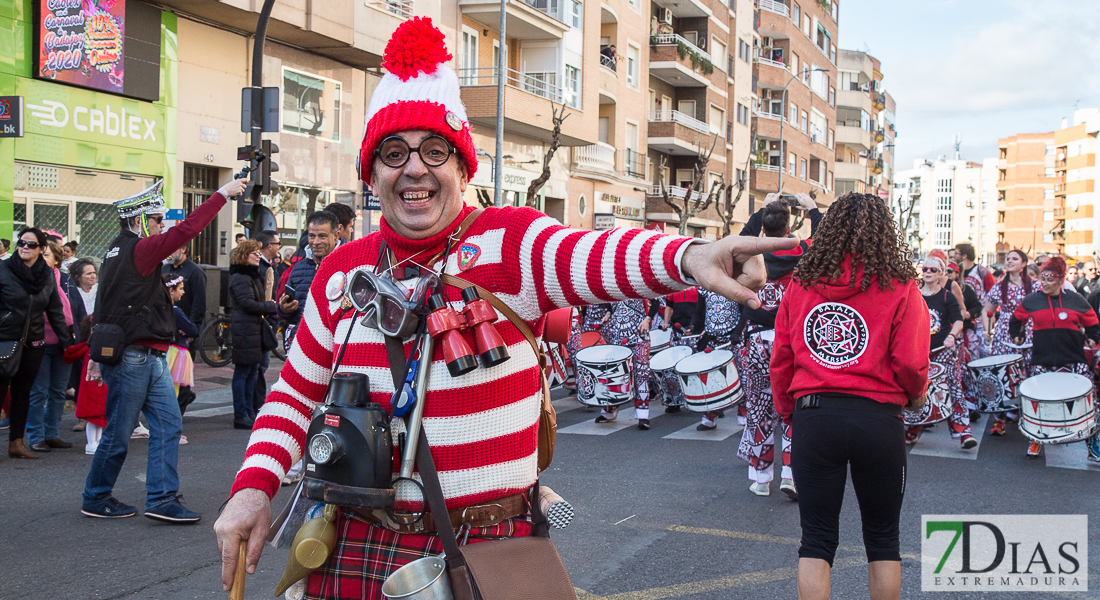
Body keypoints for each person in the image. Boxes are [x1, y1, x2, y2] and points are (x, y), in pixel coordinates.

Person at [213, 18, 795, 598]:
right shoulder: (342, 271)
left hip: (490, 551)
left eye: (434, 150)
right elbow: (295, 393)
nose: (414, 167)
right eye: (393, 152)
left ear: (462, 167)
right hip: (356, 544)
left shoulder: (510, 243)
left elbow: (594, 253)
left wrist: (688, 257)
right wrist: (252, 488)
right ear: (372, 172)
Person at [771, 192, 929, 600]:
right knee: (882, 538)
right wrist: (914, 397)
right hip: (878, 417)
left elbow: (782, 357)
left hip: (815, 415)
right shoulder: (901, 286)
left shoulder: (801, 285)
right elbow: (910, 361)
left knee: (817, 539)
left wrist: (790, 412)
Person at [81, 177, 246, 522]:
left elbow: (107, 304)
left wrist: (96, 356)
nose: (162, 225)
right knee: (121, 431)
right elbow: (186, 231)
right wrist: (220, 195)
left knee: (167, 426)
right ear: (140, 219)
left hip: (144, 355)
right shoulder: (139, 249)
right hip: (136, 356)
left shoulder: (116, 250)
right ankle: (97, 496)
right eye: (156, 219)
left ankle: (161, 498)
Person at [736, 192, 820, 498]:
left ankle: (761, 478)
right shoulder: (802, 251)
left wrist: (760, 211)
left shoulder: (750, 254)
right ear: (788, 229)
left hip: (756, 339)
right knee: (794, 407)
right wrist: (811, 209)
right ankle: (790, 474)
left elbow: (741, 239)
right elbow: (823, 239)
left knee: (760, 408)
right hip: (793, 341)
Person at [1009, 256, 1100, 460]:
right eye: (1043, 279)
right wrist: (1017, 335)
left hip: (1074, 358)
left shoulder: (1075, 300)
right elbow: (1016, 319)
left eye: (1050, 280)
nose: (1046, 284)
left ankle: (1093, 445)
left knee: (1088, 402)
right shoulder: (1032, 300)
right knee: (1038, 402)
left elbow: (1093, 322)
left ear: (1061, 280)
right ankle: (1036, 440)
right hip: (1042, 359)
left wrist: (1093, 339)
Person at [0, 228, 72, 459]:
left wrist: (67, 341)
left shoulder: (47, 275)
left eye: (31, 244)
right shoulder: (3, 270)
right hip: (5, 340)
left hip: (34, 341)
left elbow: (55, 311)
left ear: (42, 249)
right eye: (22, 242)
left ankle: (16, 444)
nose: (25, 247)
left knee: (23, 393)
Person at [907, 256, 976, 449]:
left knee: (953, 388)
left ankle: (964, 432)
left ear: (941, 274)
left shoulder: (946, 296)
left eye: (933, 270)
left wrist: (952, 336)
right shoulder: (914, 295)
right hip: (920, 351)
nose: (928, 272)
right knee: (919, 390)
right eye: (926, 269)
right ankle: (912, 429)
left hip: (943, 351)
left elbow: (959, 319)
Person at [26, 241, 76, 453]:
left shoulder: (65, 280)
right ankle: (35, 436)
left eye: (46, 255)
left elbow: (76, 308)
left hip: (64, 342)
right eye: (40, 254)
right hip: (40, 341)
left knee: (58, 391)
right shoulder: (32, 280)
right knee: (38, 392)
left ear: (57, 260)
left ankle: (52, 434)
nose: (41, 258)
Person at [982, 249, 1038, 436]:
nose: (1010, 261)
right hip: (1004, 333)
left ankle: (1024, 413)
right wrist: (987, 330)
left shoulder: (1035, 286)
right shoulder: (999, 287)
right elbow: (987, 309)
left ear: (1024, 264)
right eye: (1008, 259)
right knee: (1003, 374)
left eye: (1015, 259)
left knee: (1026, 372)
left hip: (1028, 332)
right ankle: (1000, 418)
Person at [228, 240, 278, 430]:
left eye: (258, 253)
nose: (258, 256)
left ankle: (248, 411)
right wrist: (271, 306)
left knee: (251, 372)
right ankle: (241, 414)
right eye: (254, 253)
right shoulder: (242, 277)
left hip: (251, 330)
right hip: (245, 330)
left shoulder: (251, 276)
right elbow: (248, 304)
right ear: (244, 255)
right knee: (243, 373)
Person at [592, 299, 654, 429]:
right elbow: (611, 304)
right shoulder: (614, 284)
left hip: (639, 337)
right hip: (618, 336)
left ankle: (643, 415)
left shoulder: (639, 282)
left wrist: (647, 320)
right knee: (615, 375)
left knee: (641, 375)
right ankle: (609, 410)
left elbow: (656, 302)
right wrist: (608, 314)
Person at [277, 211, 339, 339]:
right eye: (312, 236)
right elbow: (289, 313)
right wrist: (283, 309)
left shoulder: (347, 264)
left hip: (336, 342)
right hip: (304, 341)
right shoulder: (298, 268)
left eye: (322, 236)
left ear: (336, 236)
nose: (316, 242)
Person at [252, 231, 282, 415]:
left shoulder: (270, 266)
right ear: (270, 246)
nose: (279, 247)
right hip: (262, 321)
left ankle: (256, 403)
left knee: (261, 367)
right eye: (278, 243)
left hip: (268, 318)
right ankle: (256, 404)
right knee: (258, 367)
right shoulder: (261, 268)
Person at [66, 258, 98, 427]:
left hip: (98, 338)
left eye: (94, 272)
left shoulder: (99, 290)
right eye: (88, 273)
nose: (93, 276)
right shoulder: (73, 292)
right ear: (78, 276)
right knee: (80, 377)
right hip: (81, 340)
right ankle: (82, 417)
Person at [164, 274, 199, 424]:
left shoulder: (160, 309)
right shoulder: (176, 311)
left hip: (166, 351)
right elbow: (192, 330)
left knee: (166, 391)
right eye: (181, 289)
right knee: (176, 392)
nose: (183, 292)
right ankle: (172, 427)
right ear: (171, 290)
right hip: (177, 353)